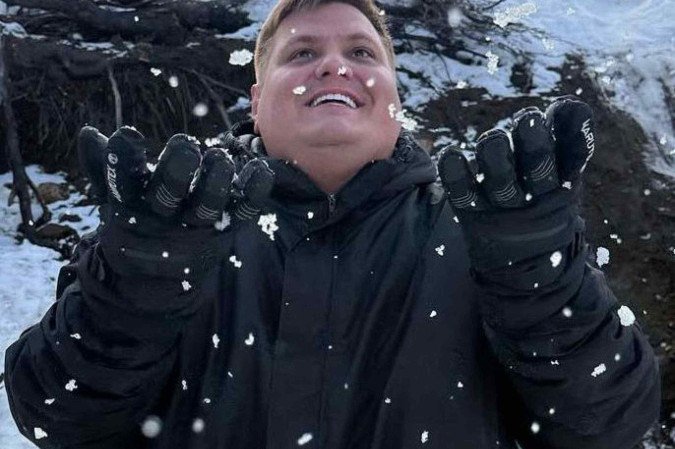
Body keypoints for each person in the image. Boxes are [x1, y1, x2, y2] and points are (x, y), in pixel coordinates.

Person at [4, 0, 661, 448]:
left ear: (394, 99)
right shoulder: (170, 222)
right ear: (255, 101)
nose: (334, 66)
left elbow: (609, 424)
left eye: (361, 51)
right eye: (301, 53)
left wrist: (540, 285)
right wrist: (132, 289)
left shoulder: (487, 230)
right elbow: (55, 415)